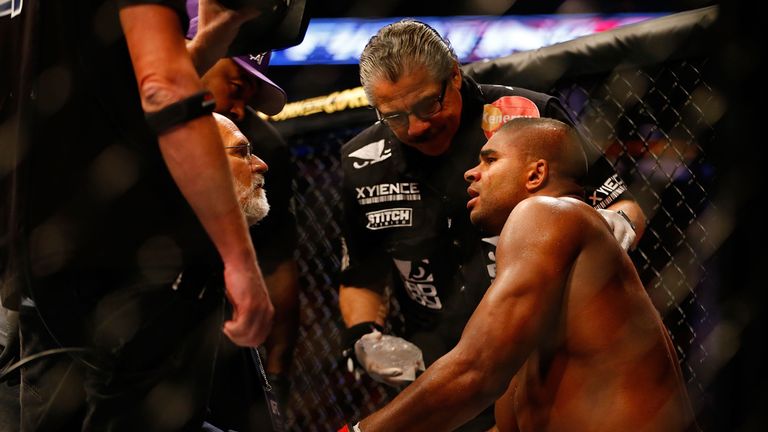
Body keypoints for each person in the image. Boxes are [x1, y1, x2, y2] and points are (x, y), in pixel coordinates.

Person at [338, 19, 646, 431]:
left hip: (538, 361)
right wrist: (366, 338)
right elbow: (361, 269)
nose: (414, 127)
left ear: (454, 74)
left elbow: (619, 200)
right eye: (393, 116)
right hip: (434, 377)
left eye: (428, 105)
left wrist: (610, 226)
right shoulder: (362, 159)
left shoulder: (525, 119)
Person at [8, 1, 275, 430]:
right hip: (129, 266)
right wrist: (237, 258)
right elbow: (162, 89)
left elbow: (123, 93)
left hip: (42, 257)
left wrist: (210, 40)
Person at [344, 117, 698, 432]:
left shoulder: (547, 212)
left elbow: (475, 369)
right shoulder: (536, 327)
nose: (471, 172)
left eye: (490, 160)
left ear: (535, 174)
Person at [185, 2, 301, 429]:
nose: (238, 109)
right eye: (235, 86)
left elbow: (279, 264)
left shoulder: (261, 143)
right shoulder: (119, 118)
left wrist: (278, 378)